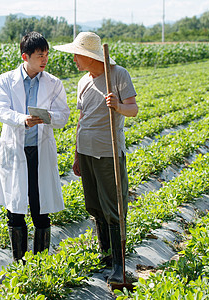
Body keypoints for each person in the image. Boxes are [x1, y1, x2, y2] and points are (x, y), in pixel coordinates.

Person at [54, 32, 138, 284]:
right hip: (87, 152)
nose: (74, 61)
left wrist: (117, 105)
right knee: (94, 205)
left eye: (77, 55)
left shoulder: (118, 75)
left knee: (114, 207)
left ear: (90, 56)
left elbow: (132, 109)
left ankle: (119, 265)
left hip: (108, 152)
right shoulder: (83, 82)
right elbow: (81, 120)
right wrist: (77, 154)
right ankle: (105, 254)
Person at [0, 31, 70, 261]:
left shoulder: (53, 83)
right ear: (25, 56)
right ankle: (19, 263)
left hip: (39, 151)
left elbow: (64, 116)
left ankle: (40, 264)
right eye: (39, 55)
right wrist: (22, 119)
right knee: (15, 208)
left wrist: (47, 117)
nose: (44, 59)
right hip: (15, 151)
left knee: (40, 207)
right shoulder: (5, 80)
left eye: (46, 55)